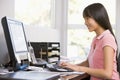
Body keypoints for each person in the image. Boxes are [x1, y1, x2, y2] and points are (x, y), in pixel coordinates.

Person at [60, 3, 120, 80]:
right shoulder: (96, 39)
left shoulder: (107, 38)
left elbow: (107, 74)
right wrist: (71, 66)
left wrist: (79, 69)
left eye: (87, 18)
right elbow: (87, 63)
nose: (85, 22)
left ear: (98, 17)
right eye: (84, 19)